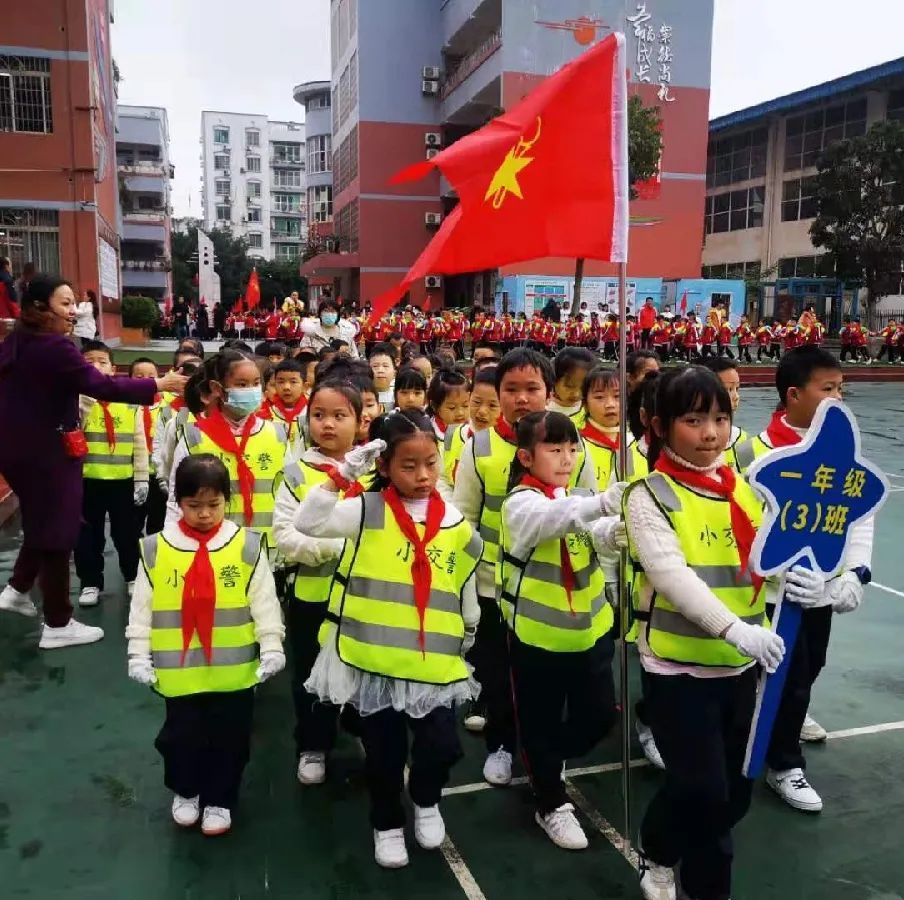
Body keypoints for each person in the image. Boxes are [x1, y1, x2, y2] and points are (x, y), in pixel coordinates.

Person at [623, 366, 822, 900]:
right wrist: (735, 629)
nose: (710, 433)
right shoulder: (649, 496)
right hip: (678, 669)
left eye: (719, 418)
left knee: (733, 793)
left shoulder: (745, 488)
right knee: (704, 790)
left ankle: (661, 845)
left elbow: (769, 558)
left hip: (743, 670)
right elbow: (671, 575)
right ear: (660, 425)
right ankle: (691, 878)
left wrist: (820, 582)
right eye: (693, 419)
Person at [295, 413, 482, 869]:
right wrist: (342, 475)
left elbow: (464, 582)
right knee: (383, 754)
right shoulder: (366, 510)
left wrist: (470, 629)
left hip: (431, 660)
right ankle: (387, 823)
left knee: (443, 745)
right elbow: (308, 523)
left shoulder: (453, 520)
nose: (422, 476)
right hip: (372, 658)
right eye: (408, 465)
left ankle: (425, 797)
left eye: (431, 464)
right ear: (384, 467)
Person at [0, 276, 185, 648]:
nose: (74, 312)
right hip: (48, 451)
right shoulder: (55, 347)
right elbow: (104, 386)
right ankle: (57, 622)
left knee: (41, 523)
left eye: (75, 304)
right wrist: (158, 386)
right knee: (58, 531)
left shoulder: (18, 341)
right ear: (39, 307)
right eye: (65, 304)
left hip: (19, 448)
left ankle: (18, 589)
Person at [735, 347, 874, 813]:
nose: (838, 398)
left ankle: (779, 752)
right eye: (827, 389)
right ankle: (771, 758)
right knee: (768, 679)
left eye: (841, 388)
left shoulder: (843, 450)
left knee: (804, 674)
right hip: (764, 600)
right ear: (793, 395)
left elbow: (857, 518)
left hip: (816, 596)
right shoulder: (754, 451)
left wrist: (852, 576)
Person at [453, 349, 596, 782]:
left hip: (552, 588)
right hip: (493, 587)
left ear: (549, 393)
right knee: (499, 675)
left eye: (532, 388)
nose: (521, 398)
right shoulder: (477, 448)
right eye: (510, 390)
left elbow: (588, 509)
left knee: (547, 682)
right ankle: (500, 744)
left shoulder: (573, 445)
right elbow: (464, 519)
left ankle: (545, 748)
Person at [126, 454, 284, 836]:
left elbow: (264, 600)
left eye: (213, 504)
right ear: (178, 502)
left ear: (226, 501)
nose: (204, 514)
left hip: (234, 670)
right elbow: (142, 607)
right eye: (194, 505)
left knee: (231, 737)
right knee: (181, 737)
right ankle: (186, 789)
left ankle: (220, 798)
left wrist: (272, 644)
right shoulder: (156, 549)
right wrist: (137, 653)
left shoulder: (246, 546)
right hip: (180, 673)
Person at [499, 411, 622, 849]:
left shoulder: (577, 496)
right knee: (539, 718)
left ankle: (545, 757)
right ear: (526, 457)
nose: (567, 457)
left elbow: (591, 532)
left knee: (601, 715)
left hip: (590, 631)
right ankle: (549, 800)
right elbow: (553, 520)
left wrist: (614, 532)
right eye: (554, 449)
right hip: (539, 637)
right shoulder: (520, 504)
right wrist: (602, 504)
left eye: (572, 448)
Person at [273, 379, 364, 786]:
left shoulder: (377, 467)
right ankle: (313, 744)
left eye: (340, 416)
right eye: (319, 415)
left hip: (367, 597)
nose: (328, 424)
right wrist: (345, 546)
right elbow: (287, 539)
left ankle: (370, 738)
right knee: (310, 674)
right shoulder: (294, 474)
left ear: (361, 422)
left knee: (365, 668)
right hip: (313, 595)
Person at [169, 350, 289, 558]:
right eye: (242, 385)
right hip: (211, 549)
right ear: (218, 389)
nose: (251, 390)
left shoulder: (277, 433)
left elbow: (289, 495)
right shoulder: (194, 437)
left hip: (266, 547)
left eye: (255, 383)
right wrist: (176, 547)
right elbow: (175, 499)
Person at [74, 342, 149, 607]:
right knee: (87, 536)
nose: (96, 365)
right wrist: (85, 397)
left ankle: (133, 577)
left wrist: (141, 478)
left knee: (127, 534)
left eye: (102, 361)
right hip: (86, 481)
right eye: (89, 361)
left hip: (123, 481)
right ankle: (90, 582)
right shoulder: (75, 399)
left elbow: (140, 443)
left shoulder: (130, 401)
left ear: (113, 368)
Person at [442, 367, 499, 495]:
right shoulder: (453, 433)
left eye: (493, 405)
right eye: (477, 402)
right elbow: (443, 478)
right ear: (469, 397)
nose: (482, 411)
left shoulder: (507, 444)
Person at [130, 357, 168, 537]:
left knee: (158, 522)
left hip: (159, 475)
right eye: (139, 376)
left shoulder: (166, 406)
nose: (146, 380)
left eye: (151, 375)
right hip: (135, 475)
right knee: (132, 523)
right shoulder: (126, 405)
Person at [701, 357, 748, 472]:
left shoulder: (741, 438)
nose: (736, 397)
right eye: (729, 389)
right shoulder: (691, 437)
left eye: (737, 389)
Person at [580, 366, 620, 491]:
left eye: (617, 396)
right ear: (585, 404)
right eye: (599, 397)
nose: (610, 404)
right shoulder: (576, 446)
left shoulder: (634, 444)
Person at [258, 358, 308, 447]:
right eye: (281, 382)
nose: (286, 387)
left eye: (293, 382)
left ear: (305, 386)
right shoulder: (265, 415)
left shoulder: (311, 413)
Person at [548, 347, 595, 421]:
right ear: (554, 379)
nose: (576, 394)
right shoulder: (543, 408)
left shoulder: (590, 409)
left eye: (583, 387)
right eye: (569, 386)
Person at [427, 368, 470, 440]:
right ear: (434, 406)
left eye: (465, 406)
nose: (460, 413)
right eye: (452, 408)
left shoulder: (475, 429)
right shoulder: (430, 433)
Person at [368, 342, 396, 410]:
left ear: (394, 372)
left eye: (385, 366)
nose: (380, 370)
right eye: (375, 366)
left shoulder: (399, 395)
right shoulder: (362, 396)